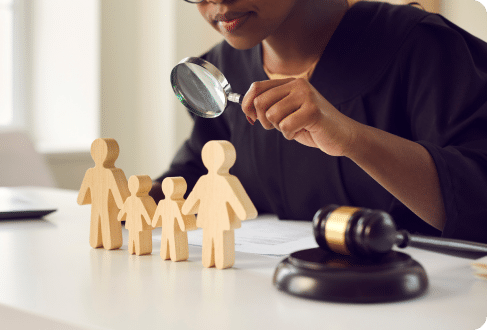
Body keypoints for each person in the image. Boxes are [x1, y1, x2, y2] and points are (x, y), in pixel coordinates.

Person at [151, 0, 487, 244]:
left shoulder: (424, 46)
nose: (217, 1)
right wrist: (138, 197)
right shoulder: (222, 69)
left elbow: (477, 196)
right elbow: (199, 172)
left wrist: (352, 138)